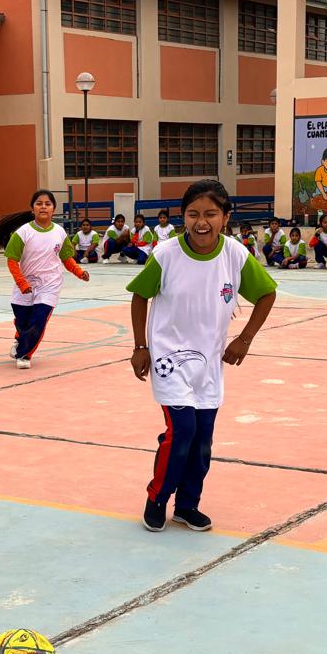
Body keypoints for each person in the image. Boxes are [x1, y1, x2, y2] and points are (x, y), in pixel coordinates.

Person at [127, 179, 276, 533]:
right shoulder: (166, 255)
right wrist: (140, 346)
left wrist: (245, 339)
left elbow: (267, 294)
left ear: (226, 217)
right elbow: (139, 297)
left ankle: (187, 505)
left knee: (203, 442)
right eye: (193, 213)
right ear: (183, 217)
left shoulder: (235, 255)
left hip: (208, 365)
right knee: (182, 432)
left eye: (210, 213)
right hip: (169, 360)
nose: (201, 221)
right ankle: (157, 498)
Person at [0, 189, 90, 369]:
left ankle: (24, 354)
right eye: (39, 203)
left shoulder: (60, 232)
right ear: (32, 209)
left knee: (38, 320)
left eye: (48, 204)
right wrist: (22, 283)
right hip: (26, 285)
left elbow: (66, 258)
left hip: (50, 285)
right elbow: (12, 261)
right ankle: (20, 339)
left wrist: (79, 272)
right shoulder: (23, 233)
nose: (43, 207)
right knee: (23, 320)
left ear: (53, 209)